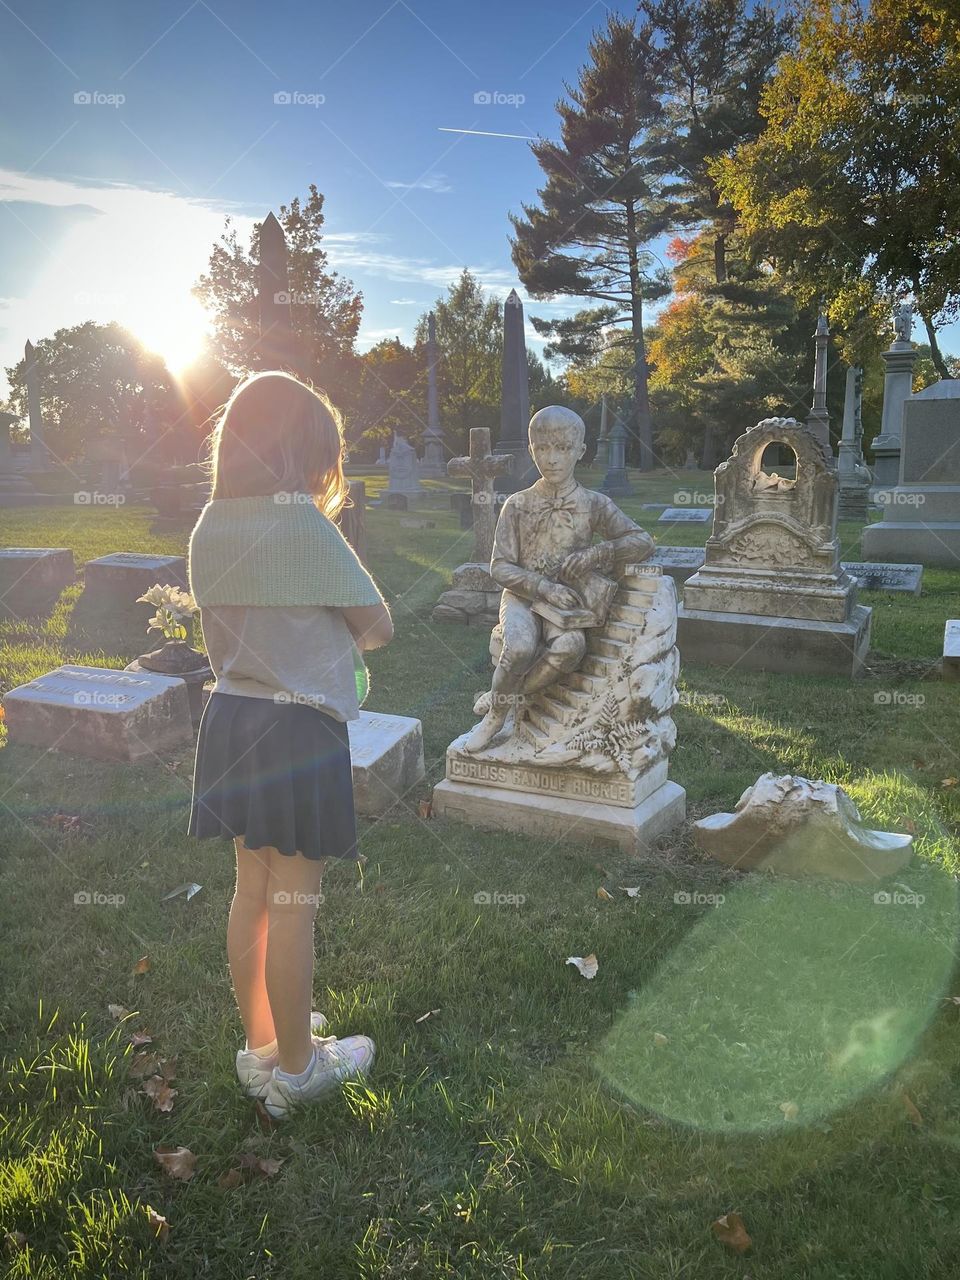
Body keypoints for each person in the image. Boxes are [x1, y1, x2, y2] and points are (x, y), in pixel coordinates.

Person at [186, 371, 393, 1120]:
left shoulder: (209, 522)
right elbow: (378, 626)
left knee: (253, 891)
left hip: (233, 720)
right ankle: (301, 1071)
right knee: (297, 902)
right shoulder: (303, 524)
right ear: (302, 451)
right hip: (298, 729)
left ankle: (262, 1046)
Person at [463, 405, 654, 753]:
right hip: (524, 596)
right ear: (532, 450)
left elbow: (643, 541)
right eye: (543, 448)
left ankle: (503, 698)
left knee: (571, 647)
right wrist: (543, 586)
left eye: (563, 448)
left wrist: (598, 553)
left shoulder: (594, 504)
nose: (552, 459)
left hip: (566, 603)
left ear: (580, 452)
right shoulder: (517, 505)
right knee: (519, 647)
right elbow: (500, 567)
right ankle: (494, 718)